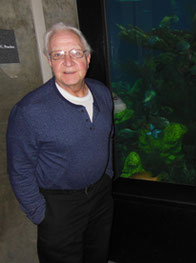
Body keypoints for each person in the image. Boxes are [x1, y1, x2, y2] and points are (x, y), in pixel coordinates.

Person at [6, 22, 114, 263]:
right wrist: (40, 214)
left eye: (76, 53)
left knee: (97, 256)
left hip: (100, 198)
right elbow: (19, 170)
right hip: (58, 207)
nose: (68, 61)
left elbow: (108, 137)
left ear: (87, 58)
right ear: (49, 60)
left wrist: (107, 175)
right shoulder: (29, 111)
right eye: (58, 54)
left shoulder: (102, 93)